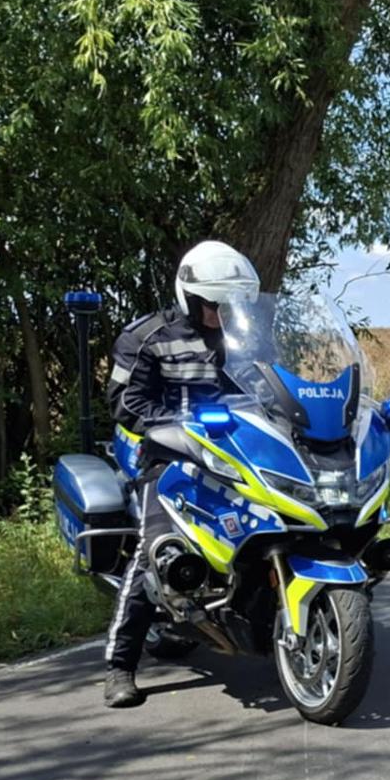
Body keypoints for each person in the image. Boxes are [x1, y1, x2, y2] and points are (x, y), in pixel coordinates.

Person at [101, 241, 260, 708]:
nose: (220, 313)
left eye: (229, 304)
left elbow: (267, 386)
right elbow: (124, 402)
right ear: (189, 297)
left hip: (233, 454)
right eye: (213, 304)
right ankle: (120, 665)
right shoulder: (147, 336)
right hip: (166, 454)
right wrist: (176, 426)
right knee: (156, 550)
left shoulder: (241, 336)